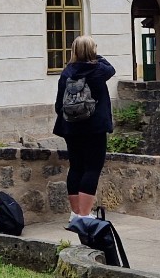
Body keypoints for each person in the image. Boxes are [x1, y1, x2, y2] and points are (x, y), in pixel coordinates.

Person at [52, 35, 115, 221]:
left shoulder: (67, 72)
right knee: (92, 168)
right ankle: (85, 215)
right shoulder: (98, 70)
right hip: (94, 128)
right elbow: (111, 69)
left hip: (71, 128)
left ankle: (75, 214)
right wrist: (95, 56)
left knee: (76, 167)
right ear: (92, 51)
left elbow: (59, 104)